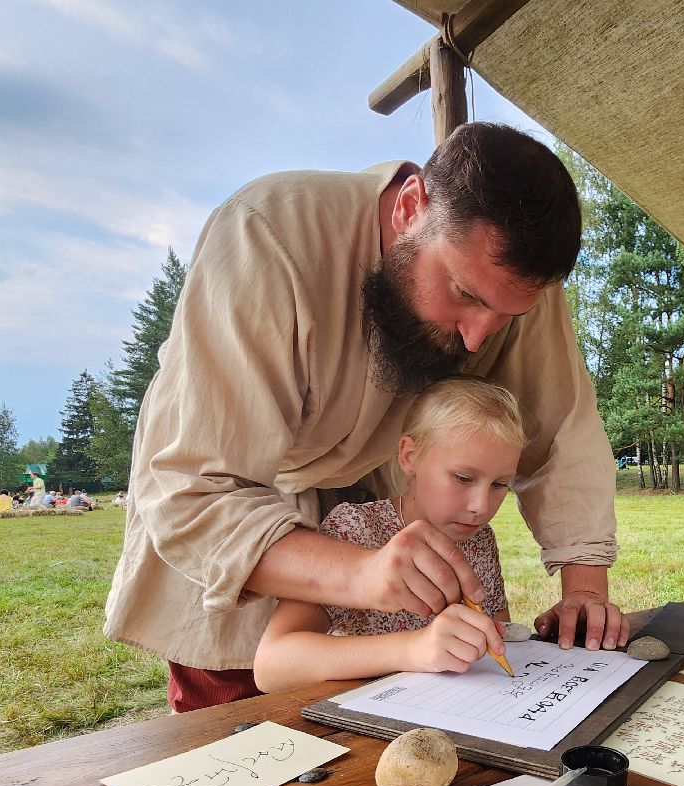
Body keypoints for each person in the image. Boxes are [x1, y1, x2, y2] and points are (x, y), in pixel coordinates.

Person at [105, 122, 630, 713]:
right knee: (241, 749)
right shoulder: (266, 233)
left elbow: (560, 427)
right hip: (246, 521)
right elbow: (194, 487)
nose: (479, 339)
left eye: (505, 315)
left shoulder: (503, 272)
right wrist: (361, 574)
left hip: (384, 516)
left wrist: (584, 592)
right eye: (465, 295)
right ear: (410, 208)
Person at [255, 377, 518, 690]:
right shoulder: (357, 530)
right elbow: (272, 665)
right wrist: (413, 649)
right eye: (463, 478)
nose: (481, 506)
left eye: (500, 485)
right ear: (409, 456)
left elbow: (499, 631)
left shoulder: (480, 539)